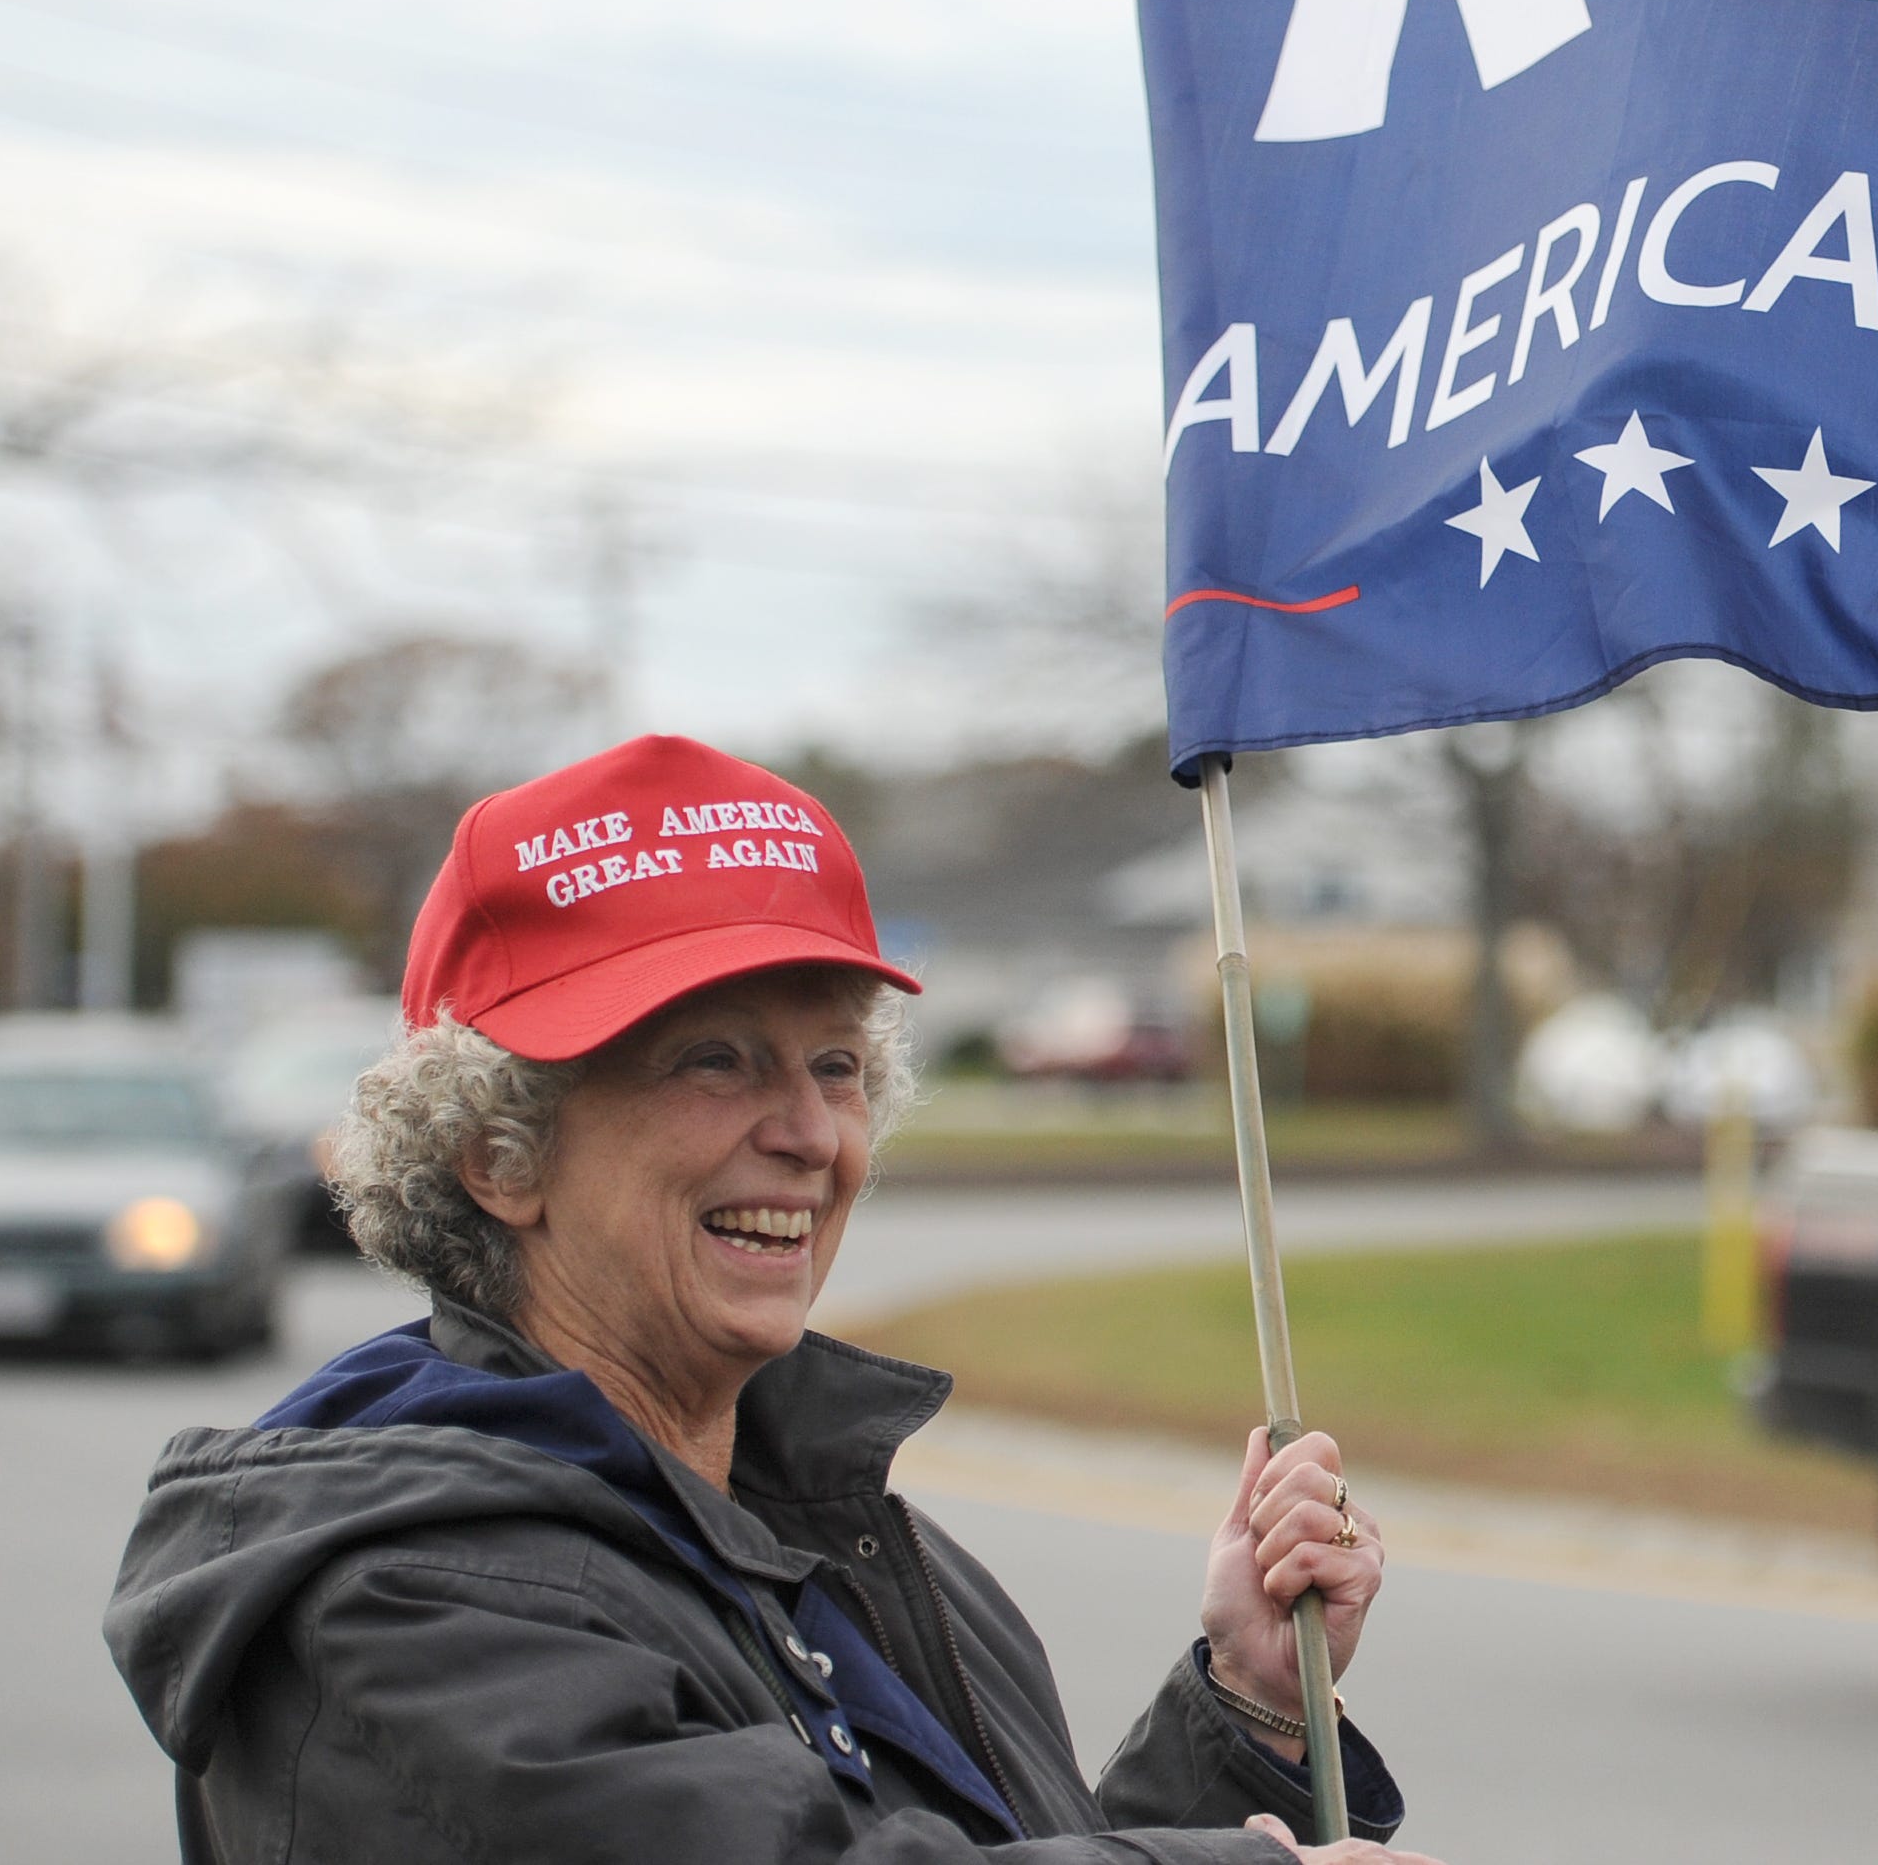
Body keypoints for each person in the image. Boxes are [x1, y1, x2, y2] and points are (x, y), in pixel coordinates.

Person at [108, 733, 1439, 1865]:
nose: (808, 1132)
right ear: (497, 1155)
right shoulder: (406, 1601)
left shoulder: (833, 1535)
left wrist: (1251, 1714)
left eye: (837, 1064)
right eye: (714, 1062)